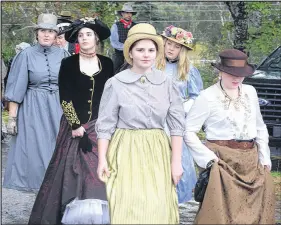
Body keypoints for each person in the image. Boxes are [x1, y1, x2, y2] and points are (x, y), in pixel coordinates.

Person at [96, 23, 185, 224]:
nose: (146, 55)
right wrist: (102, 159)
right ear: (130, 53)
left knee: (158, 205)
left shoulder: (167, 83)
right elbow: (105, 125)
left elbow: (177, 125)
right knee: (127, 204)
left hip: (157, 149)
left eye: (151, 50)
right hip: (125, 148)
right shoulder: (116, 83)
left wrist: (176, 162)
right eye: (140, 50)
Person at [29, 16, 113, 225]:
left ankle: (97, 218)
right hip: (73, 125)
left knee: (97, 171)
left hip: (99, 126)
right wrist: (75, 125)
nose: (85, 38)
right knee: (68, 171)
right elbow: (64, 96)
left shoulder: (108, 63)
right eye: (81, 35)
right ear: (76, 40)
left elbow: (112, 95)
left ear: (96, 39)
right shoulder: (68, 63)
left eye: (89, 34)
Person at [184, 49, 275, 224]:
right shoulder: (207, 96)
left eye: (240, 74)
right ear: (220, 71)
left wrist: (264, 156)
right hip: (222, 161)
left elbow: (259, 126)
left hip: (251, 160)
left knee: (255, 213)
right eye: (231, 73)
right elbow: (189, 131)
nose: (236, 78)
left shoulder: (250, 92)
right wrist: (209, 159)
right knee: (222, 214)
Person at [3, 14, 70, 192]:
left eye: (50, 31)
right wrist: (12, 119)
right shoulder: (25, 55)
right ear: (36, 33)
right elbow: (16, 90)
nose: (46, 35)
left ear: (56, 35)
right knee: (35, 151)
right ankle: (39, 194)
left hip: (58, 108)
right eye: (42, 31)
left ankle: (56, 193)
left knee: (59, 149)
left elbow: (70, 88)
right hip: (33, 108)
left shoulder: (64, 54)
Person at [157, 25, 203, 203]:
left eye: (176, 46)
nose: (171, 48)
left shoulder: (189, 70)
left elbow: (196, 96)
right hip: (155, 120)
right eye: (169, 44)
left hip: (176, 122)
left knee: (177, 161)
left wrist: (181, 108)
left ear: (182, 50)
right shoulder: (153, 65)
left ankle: (176, 200)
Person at [110, 3, 137, 74]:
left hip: (133, 54)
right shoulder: (115, 26)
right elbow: (114, 42)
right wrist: (126, 47)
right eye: (127, 13)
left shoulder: (136, 26)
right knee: (115, 72)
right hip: (119, 55)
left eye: (130, 13)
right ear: (122, 13)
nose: (129, 15)